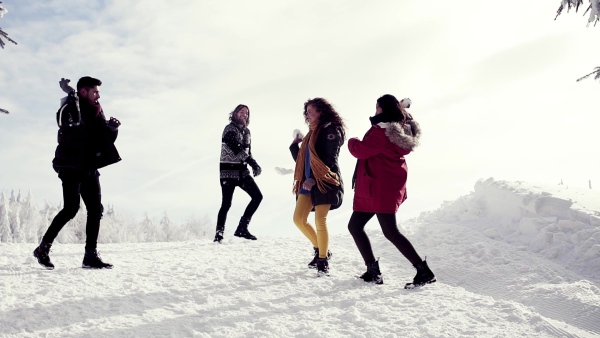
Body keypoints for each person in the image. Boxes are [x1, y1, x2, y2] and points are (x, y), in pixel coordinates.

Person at [347, 94, 436, 289]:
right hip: (380, 186)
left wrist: (352, 140)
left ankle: (423, 271)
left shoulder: (383, 132)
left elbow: (360, 150)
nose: (375, 111)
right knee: (355, 226)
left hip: (380, 188)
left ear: (384, 109)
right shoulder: (396, 129)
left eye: (377, 108)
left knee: (390, 231)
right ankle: (373, 270)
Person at [33, 76, 122, 270]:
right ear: (84, 92)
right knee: (71, 208)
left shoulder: (97, 111)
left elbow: (102, 139)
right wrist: (70, 93)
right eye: (95, 91)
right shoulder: (72, 107)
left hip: (89, 166)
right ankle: (42, 249)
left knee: (96, 210)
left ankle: (90, 256)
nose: (98, 95)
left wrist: (112, 130)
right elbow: (66, 121)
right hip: (71, 165)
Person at [290, 98, 345, 275]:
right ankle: (321, 249)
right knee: (299, 219)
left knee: (320, 220)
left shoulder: (331, 129)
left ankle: (322, 260)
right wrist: (294, 145)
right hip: (307, 182)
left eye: (310, 110)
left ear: (321, 111)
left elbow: (330, 158)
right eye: (306, 111)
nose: (307, 114)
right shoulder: (311, 134)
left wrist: (314, 178)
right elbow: (303, 161)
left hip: (324, 181)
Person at [214, 104, 263, 243]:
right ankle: (219, 234)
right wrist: (251, 162)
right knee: (226, 203)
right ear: (235, 113)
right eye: (241, 112)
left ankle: (242, 228)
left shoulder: (247, 132)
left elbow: (247, 151)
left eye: (247, 113)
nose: (244, 114)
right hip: (228, 172)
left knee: (257, 196)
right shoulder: (229, 129)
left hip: (242, 171)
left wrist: (254, 164)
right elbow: (235, 148)